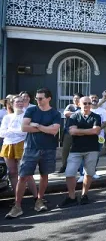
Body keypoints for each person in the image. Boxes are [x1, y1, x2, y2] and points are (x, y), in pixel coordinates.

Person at [6, 88, 61, 219]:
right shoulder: (31, 110)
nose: (37, 100)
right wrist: (45, 128)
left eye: (40, 98)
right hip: (31, 148)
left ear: (48, 98)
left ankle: (39, 200)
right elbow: (24, 127)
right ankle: (17, 206)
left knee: (44, 175)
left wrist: (37, 125)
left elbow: (54, 131)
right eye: (36, 98)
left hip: (49, 148)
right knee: (23, 176)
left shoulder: (55, 113)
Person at [60, 96, 102, 207]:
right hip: (76, 149)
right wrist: (89, 131)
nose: (87, 105)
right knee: (69, 173)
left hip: (92, 149)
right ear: (79, 104)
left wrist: (80, 131)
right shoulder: (74, 116)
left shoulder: (96, 116)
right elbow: (72, 132)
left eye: (89, 103)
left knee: (89, 173)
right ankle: (72, 197)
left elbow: (96, 131)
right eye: (85, 103)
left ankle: (84, 195)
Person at [0, 96, 38, 201]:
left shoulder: (27, 116)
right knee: (12, 172)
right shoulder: (7, 117)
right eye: (17, 102)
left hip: (23, 144)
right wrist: (17, 130)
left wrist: (12, 130)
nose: (20, 103)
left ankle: (37, 197)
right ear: (12, 104)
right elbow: (2, 133)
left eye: (22, 101)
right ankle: (17, 198)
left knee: (26, 172)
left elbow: (25, 131)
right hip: (8, 145)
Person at [58, 92, 82, 174]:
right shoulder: (70, 106)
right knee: (66, 149)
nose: (75, 99)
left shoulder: (83, 107)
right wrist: (77, 114)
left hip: (80, 132)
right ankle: (64, 166)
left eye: (77, 98)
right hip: (68, 131)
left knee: (79, 150)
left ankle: (79, 166)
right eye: (74, 98)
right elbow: (66, 113)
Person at [89, 94, 106, 180]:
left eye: (96, 98)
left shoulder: (102, 111)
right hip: (86, 136)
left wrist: (97, 129)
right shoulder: (86, 110)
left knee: (96, 154)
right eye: (92, 98)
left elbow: (105, 122)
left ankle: (93, 171)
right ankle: (84, 173)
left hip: (99, 136)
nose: (94, 99)